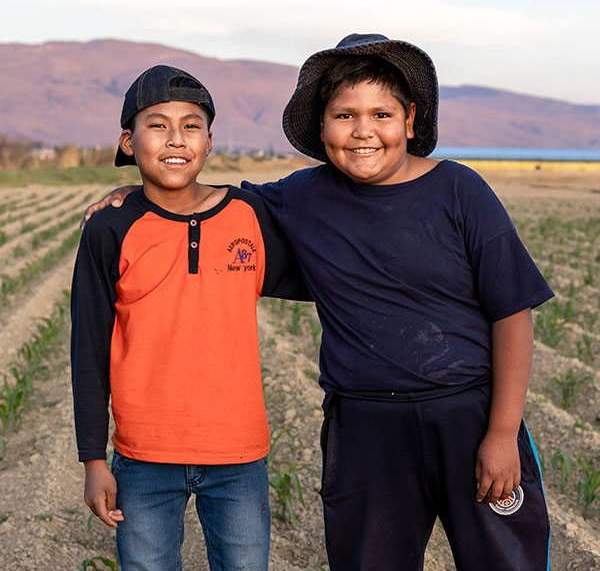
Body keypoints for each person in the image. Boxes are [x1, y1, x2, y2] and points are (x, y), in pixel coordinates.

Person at [82, 35, 554, 570]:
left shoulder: (460, 191)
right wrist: (132, 198)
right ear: (322, 126)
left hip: (467, 413)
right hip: (364, 425)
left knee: (505, 560)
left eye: (382, 113)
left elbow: (512, 312)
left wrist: (499, 432)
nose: (363, 131)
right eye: (344, 115)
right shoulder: (301, 196)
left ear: (411, 119)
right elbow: (204, 201)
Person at [71, 65, 308, 571]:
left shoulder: (248, 215)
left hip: (239, 454)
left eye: (192, 125)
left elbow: (330, 259)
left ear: (209, 142)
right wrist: (93, 458)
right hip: (142, 457)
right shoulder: (110, 228)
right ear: (128, 142)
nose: (176, 139)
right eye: (157, 125)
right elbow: (87, 348)